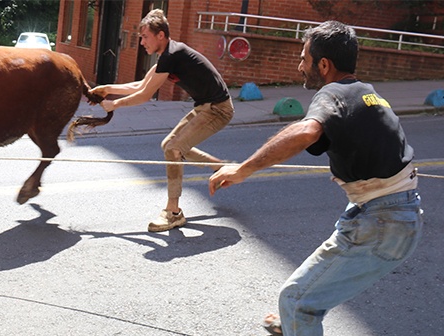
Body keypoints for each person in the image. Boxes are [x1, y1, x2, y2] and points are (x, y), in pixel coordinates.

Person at [209, 21, 423, 336]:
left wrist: (243, 169)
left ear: (324, 65)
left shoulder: (332, 92)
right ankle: (294, 323)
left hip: (381, 222)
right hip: (394, 216)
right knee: (305, 296)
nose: (299, 66)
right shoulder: (366, 93)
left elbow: (307, 131)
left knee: (297, 301)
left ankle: (296, 317)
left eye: (304, 59)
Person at [90, 9, 234, 232]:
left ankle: (173, 213)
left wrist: (114, 104)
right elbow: (140, 85)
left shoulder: (172, 56)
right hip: (206, 107)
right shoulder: (167, 56)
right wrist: (107, 89)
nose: (141, 42)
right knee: (169, 146)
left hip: (218, 109)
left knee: (174, 149)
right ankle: (218, 166)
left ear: (160, 36)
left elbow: (144, 95)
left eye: (145, 36)